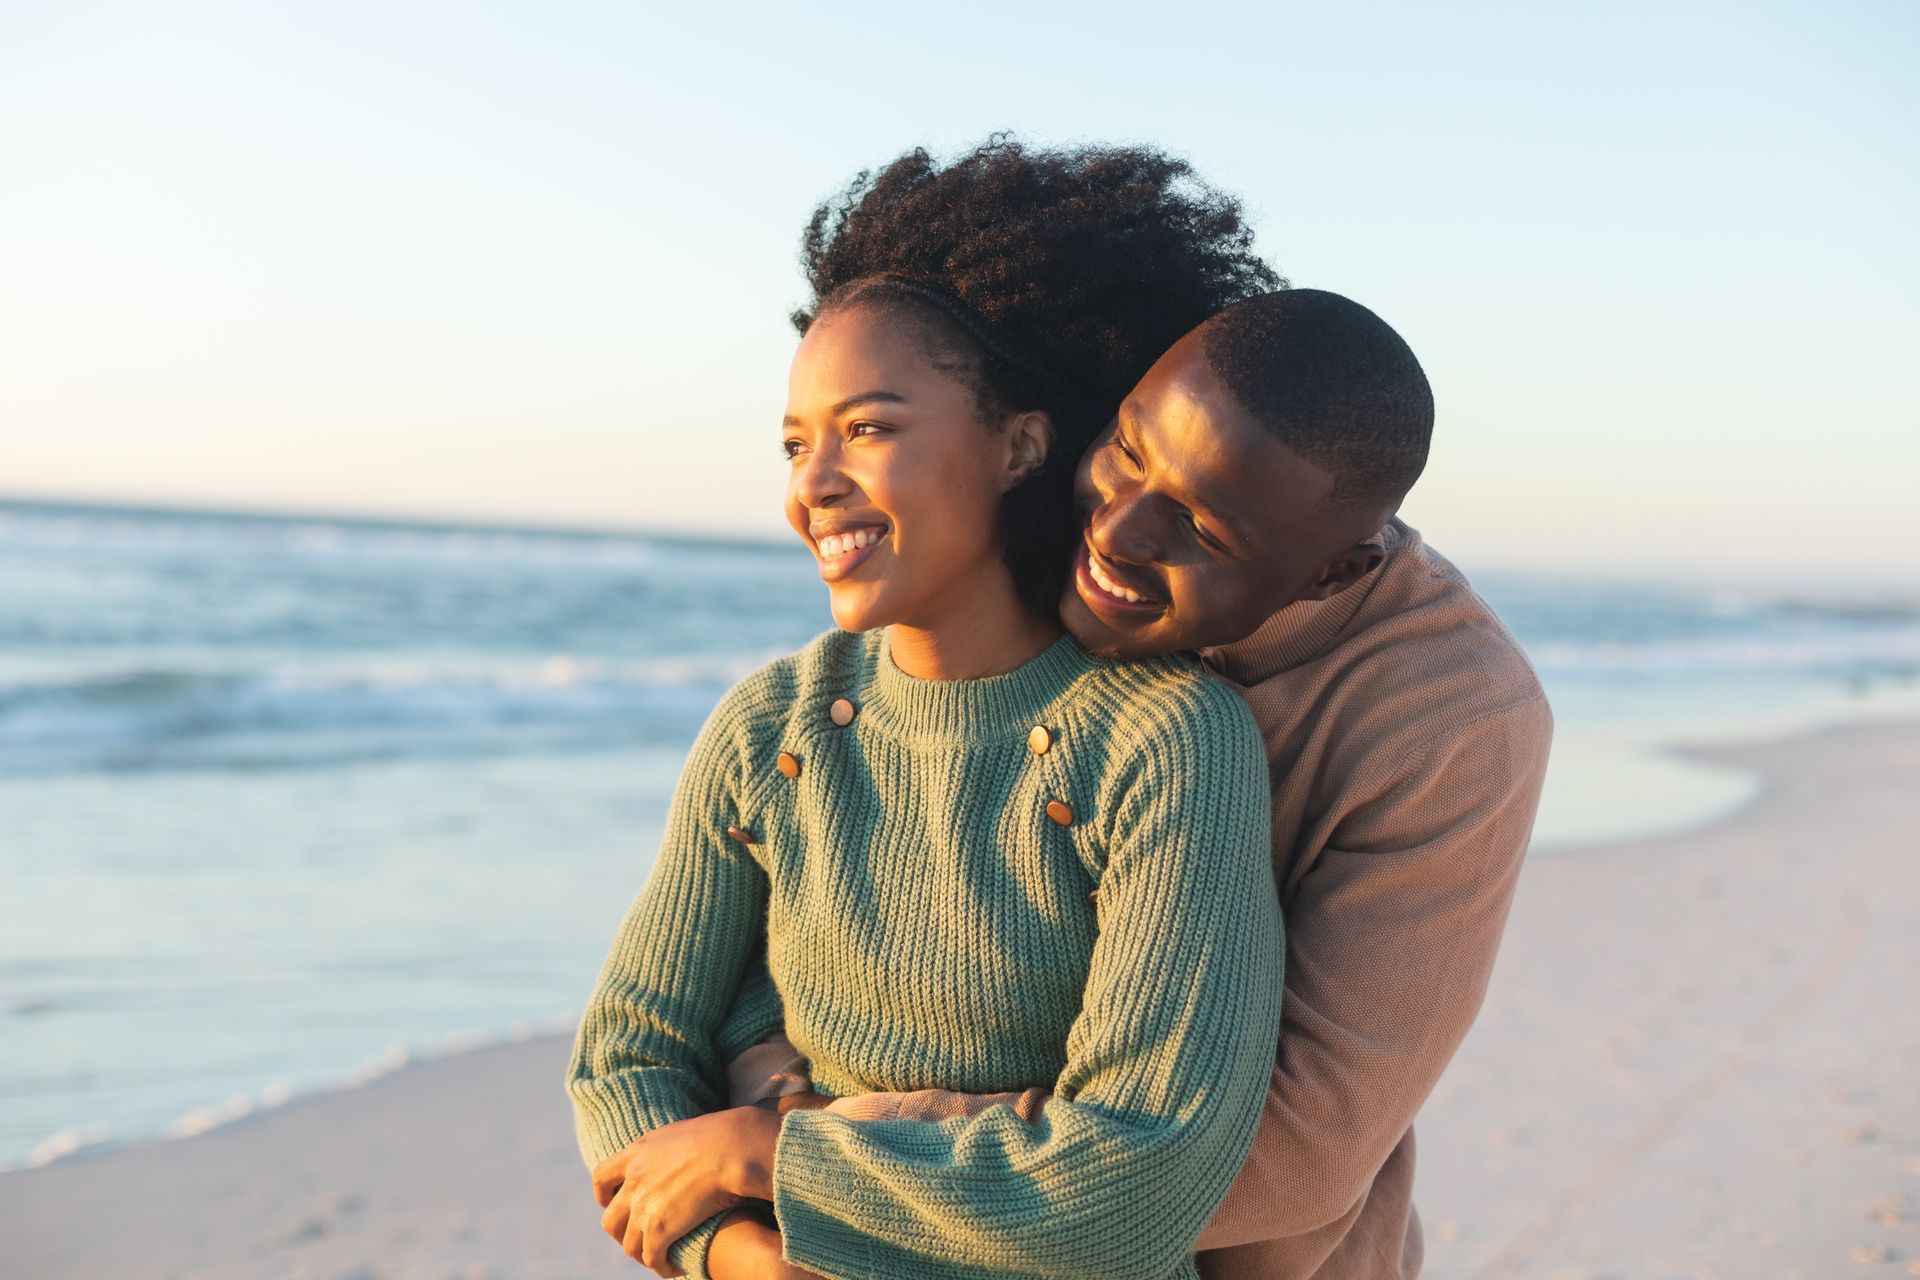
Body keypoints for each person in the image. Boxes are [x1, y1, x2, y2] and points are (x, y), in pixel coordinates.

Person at [567, 139, 1293, 1280]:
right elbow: (626, 1054)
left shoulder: (1164, 740)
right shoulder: (771, 730)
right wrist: (742, 1257)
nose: (813, 485)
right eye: (797, 444)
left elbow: (1137, 1184)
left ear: (1019, 443)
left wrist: (773, 1148)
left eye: (869, 428)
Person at [732, 288, 1555, 1279]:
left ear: (1334, 572)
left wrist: (811, 1160)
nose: (1118, 531)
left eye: (1202, 525)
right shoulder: (1048, 545)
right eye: (1126, 448)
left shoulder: (1454, 722)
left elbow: (1304, 1146)